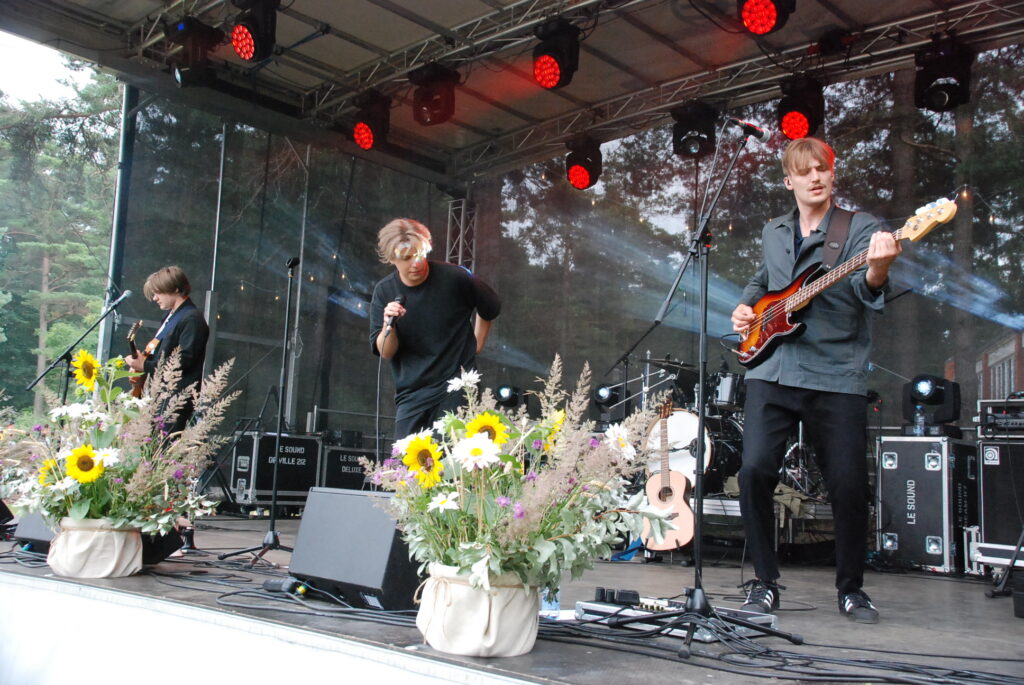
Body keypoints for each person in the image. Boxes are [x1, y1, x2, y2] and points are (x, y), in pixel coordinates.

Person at [730, 137, 901, 624]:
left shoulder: (859, 227)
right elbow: (764, 280)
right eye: (804, 171)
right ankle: (764, 582)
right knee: (753, 472)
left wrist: (879, 268)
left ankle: (851, 589)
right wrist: (746, 307)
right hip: (773, 368)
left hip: (835, 371)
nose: (815, 177)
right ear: (789, 181)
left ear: (832, 174)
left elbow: (867, 288)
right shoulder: (774, 230)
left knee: (848, 484)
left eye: (822, 168)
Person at [370, 218, 501, 438]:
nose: (416, 263)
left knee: (452, 455)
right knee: (408, 458)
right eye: (407, 258)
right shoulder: (384, 291)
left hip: (457, 385)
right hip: (411, 394)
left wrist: (476, 345)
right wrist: (388, 324)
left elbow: (490, 307)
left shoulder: (456, 277)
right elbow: (386, 351)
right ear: (392, 258)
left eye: (420, 255)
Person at [127, 266, 210, 435]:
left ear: (176, 289)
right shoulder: (172, 317)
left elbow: (184, 361)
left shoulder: (192, 318)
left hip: (174, 401)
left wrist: (145, 366)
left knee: (163, 446)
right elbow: (162, 354)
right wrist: (142, 364)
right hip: (160, 397)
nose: (155, 298)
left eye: (158, 292)